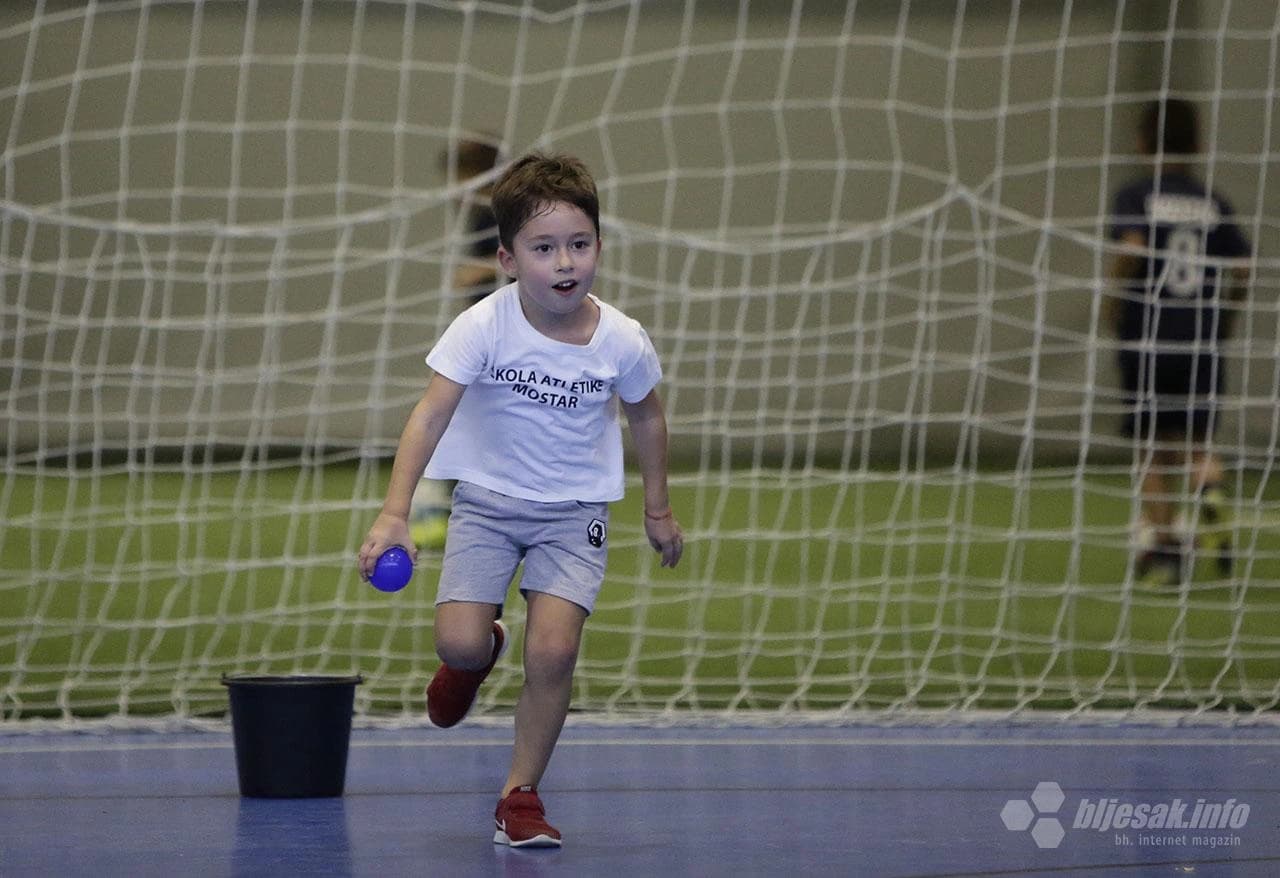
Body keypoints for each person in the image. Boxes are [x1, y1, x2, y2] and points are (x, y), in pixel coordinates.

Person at [359, 153, 684, 847]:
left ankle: (520, 796)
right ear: (507, 259)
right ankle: (479, 653)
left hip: (575, 515)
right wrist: (394, 513)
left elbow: (648, 417)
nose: (565, 262)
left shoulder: (622, 340)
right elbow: (430, 414)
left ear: (598, 245)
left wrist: (657, 510)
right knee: (460, 641)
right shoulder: (483, 326)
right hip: (487, 506)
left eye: (579, 244)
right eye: (543, 249)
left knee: (555, 654)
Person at [1106, 99, 1251, 585]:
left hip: (1148, 335)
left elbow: (1131, 249)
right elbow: (1242, 268)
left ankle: (1166, 551)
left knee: (1151, 446)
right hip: (1200, 339)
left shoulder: (1137, 196)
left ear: (1143, 143)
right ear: (1198, 145)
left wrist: (1112, 303)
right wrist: (1226, 318)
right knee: (1194, 442)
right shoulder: (1214, 203)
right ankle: (1210, 491)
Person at [410, 139, 506, 551]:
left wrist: (478, 271)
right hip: (482, 333)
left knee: (457, 416)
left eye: (461, 176)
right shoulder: (480, 214)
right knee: (459, 415)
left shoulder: (504, 212)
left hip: (505, 336)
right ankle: (436, 506)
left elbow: (521, 256)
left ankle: (432, 508)